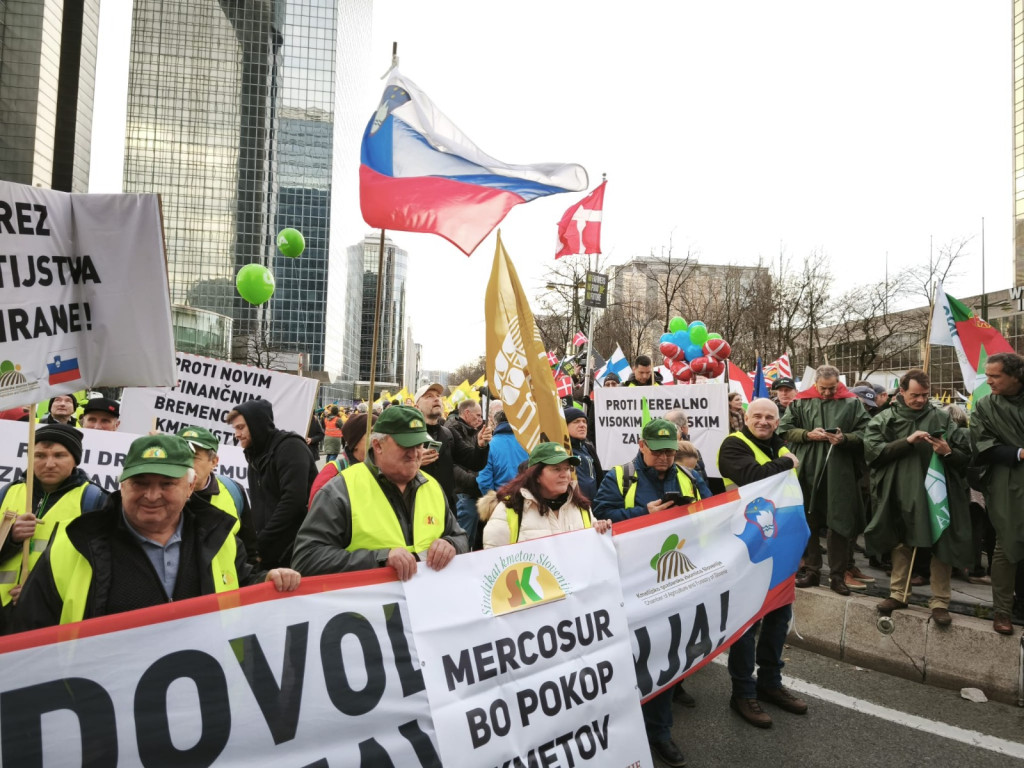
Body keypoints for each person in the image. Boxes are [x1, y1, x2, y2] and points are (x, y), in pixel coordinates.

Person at [13, 434, 300, 630]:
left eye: (166, 484)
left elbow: (240, 583)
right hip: (101, 708)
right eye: (140, 483)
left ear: (189, 488)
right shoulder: (74, 544)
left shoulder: (219, 538)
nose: (152, 495)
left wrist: (267, 579)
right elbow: (29, 631)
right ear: (122, 485)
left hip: (202, 705)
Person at [593, 418, 701, 768]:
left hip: (674, 578)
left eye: (670, 451)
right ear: (641, 445)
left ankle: (660, 732)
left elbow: (712, 512)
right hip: (630, 582)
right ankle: (623, 727)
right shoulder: (619, 476)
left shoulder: (688, 477)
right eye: (658, 451)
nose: (665, 458)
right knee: (629, 657)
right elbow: (601, 517)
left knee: (664, 653)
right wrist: (643, 513)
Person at [291, 405, 468, 579]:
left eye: (419, 444)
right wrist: (379, 559)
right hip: (368, 606)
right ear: (377, 445)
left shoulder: (432, 486)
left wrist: (451, 544)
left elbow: (459, 536)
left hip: (424, 602)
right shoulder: (341, 490)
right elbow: (306, 559)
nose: (415, 453)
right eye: (406, 445)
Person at [717, 398, 807, 729]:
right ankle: (743, 691)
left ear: (778, 420)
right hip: (745, 548)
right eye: (758, 415)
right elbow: (752, 476)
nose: (764, 421)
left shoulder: (779, 447)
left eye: (770, 417)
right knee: (747, 622)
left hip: (779, 547)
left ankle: (770, 682)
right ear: (746, 417)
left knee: (778, 616)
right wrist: (786, 462)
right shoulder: (732, 445)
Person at [862, 369, 972, 626]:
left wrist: (947, 452)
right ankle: (898, 594)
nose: (921, 400)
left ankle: (940, 602)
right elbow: (873, 453)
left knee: (941, 542)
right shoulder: (885, 419)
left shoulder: (941, 418)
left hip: (937, 491)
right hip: (900, 489)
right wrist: (907, 441)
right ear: (901, 392)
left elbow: (964, 456)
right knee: (902, 541)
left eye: (925, 395)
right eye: (915, 395)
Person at [778, 364, 870, 595]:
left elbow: (868, 431)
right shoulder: (801, 401)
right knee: (808, 520)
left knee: (838, 523)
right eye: (823, 388)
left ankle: (838, 575)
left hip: (839, 471)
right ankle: (812, 570)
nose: (828, 393)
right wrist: (807, 434)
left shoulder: (852, 403)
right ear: (815, 384)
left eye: (832, 388)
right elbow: (785, 429)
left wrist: (845, 438)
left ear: (839, 383)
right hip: (807, 468)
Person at [0, 424, 107, 609]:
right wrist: (11, 538)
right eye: (39, 456)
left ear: (75, 459)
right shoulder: (7, 492)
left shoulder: (94, 499)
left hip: (52, 611)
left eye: (59, 455)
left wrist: (36, 590)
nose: (49, 464)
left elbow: (98, 568)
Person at [226, 399, 317, 569]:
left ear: (256, 425)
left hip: (294, 550)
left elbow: (293, 502)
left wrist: (261, 543)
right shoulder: (255, 455)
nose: (236, 435)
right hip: (270, 550)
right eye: (235, 429)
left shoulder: (290, 447)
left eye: (240, 427)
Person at [970, 351, 1024, 634]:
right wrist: (1018, 452)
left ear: (1015, 376)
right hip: (1008, 481)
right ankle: (1001, 611)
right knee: (1007, 543)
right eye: (987, 375)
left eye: (995, 376)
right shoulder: (985, 406)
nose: (988, 381)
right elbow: (982, 445)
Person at [481, 443, 611, 547]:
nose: (564, 474)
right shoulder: (509, 508)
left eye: (567, 468)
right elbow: (494, 563)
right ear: (536, 475)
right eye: (556, 469)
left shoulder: (581, 507)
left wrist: (600, 529)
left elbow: (591, 552)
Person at [176, 426, 259, 566]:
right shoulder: (162, 494)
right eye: (180, 456)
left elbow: (250, 552)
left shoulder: (233, 491)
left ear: (214, 462)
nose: (186, 463)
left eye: (194, 457)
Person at [414, 383, 490, 517]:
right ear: (416, 407)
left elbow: (474, 462)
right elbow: (389, 469)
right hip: (418, 508)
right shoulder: (408, 436)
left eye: (438, 396)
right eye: (429, 396)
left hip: (446, 509)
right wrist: (414, 463)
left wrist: (481, 445)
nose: (436, 399)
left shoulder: (449, 434)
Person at [308, 413, 375, 505]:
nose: (379, 438)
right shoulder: (333, 472)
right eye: (372, 433)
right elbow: (317, 510)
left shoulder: (384, 471)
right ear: (355, 442)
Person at [446, 399, 487, 546]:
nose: (480, 419)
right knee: (463, 540)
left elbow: (475, 459)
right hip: (463, 492)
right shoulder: (451, 431)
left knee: (472, 539)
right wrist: (473, 482)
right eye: (477, 415)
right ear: (467, 413)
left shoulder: (473, 430)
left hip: (473, 491)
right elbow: (452, 465)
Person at [476, 410, 529, 496]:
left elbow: (484, 481)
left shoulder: (489, 446)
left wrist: (494, 500)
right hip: (526, 498)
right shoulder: (527, 443)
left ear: (495, 424)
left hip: (502, 500)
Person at [564, 406, 603, 501]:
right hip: (572, 505)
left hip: (592, 506)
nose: (582, 425)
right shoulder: (561, 450)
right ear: (565, 425)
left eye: (584, 421)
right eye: (576, 421)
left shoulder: (589, 448)